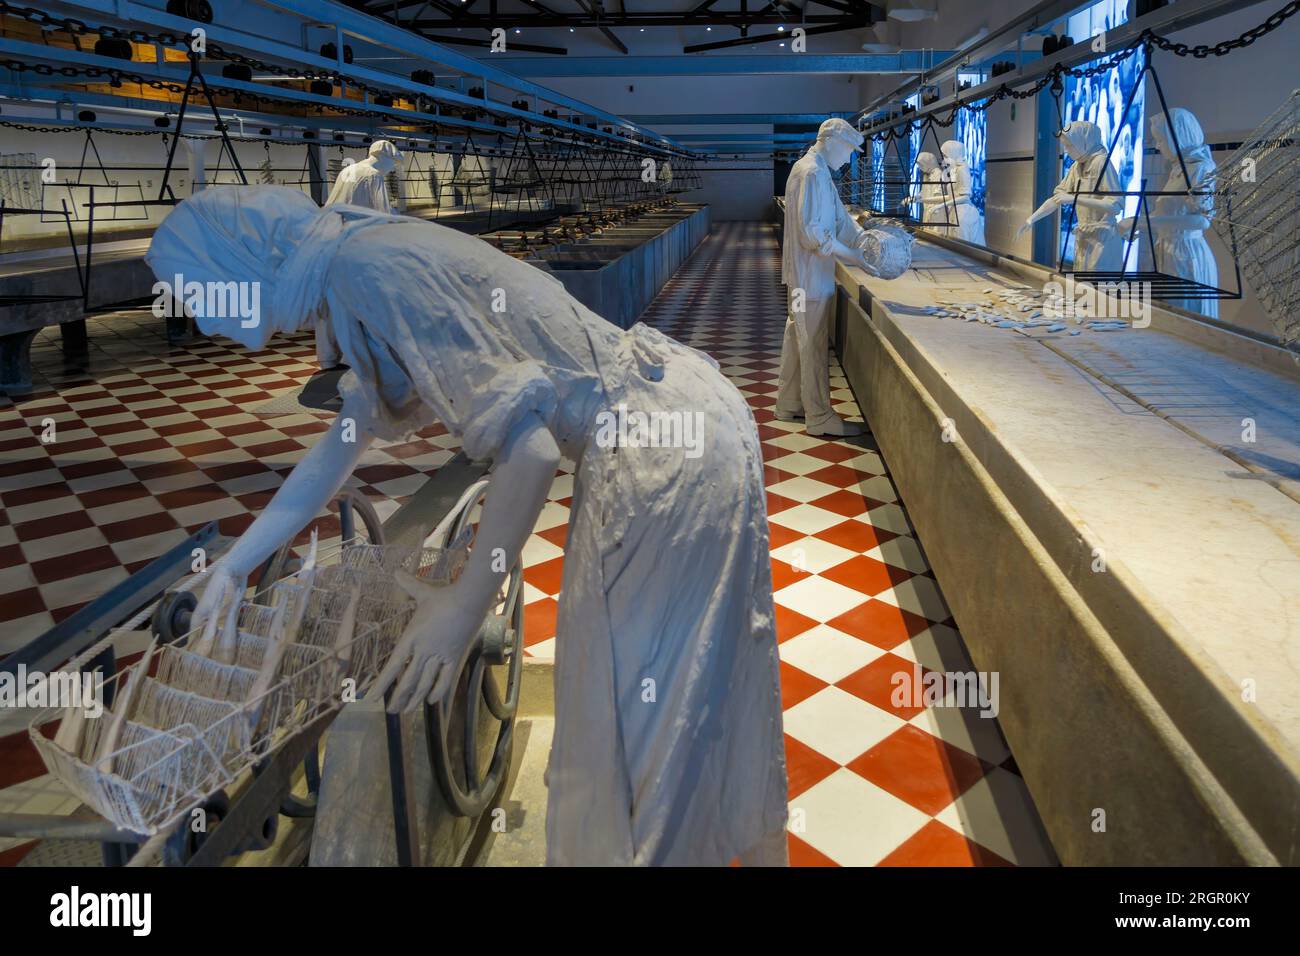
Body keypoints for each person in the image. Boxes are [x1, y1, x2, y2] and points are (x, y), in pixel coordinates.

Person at [144, 185, 789, 867]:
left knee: (635, 719)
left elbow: (531, 451)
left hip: (659, 455)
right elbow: (342, 444)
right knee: (699, 685)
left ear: (235, 263)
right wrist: (235, 565)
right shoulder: (357, 261)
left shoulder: (364, 269)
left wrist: (462, 608)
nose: (200, 317)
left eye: (197, 293)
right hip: (687, 419)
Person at [777, 117, 873, 438]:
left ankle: (789, 403)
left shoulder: (812, 169)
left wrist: (865, 240)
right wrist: (854, 256)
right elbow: (814, 235)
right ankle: (819, 417)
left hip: (801, 278)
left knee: (798, 335)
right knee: (812, 343)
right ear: (830, 141)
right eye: (847, 150)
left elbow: (841, 219)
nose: (848, 159)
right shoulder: (813, 173)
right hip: (810, 280)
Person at [1120, 109, 1219, 318]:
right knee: (1171, 316)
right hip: (1170, 253)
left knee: (1186, 320)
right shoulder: (1178, 169)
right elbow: (1170, 212)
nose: (1158, 146)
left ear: (1178, 137)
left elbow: (1202, 221)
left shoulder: (1201, 168)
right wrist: (1141, 224)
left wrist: (1142, 222)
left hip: (1186, 255)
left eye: (1161, 140)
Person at [1017, 120, 1123, 272]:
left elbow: (1115, 205)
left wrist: (1075, 199)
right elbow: (1057, 199)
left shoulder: (1101, 163)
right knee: (1082, 283)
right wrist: (1031, 220)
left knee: (1098, 284)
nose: (1066, 151)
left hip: (1103, 239)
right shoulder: (1077, 166)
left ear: (1083, 142)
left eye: (1069, 146)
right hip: (1085, 238)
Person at [324, 139, 400, 212]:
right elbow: (383, 209)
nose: (392, 168)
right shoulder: (374, 175)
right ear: (382, 157)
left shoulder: (347, 169)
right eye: (393, 162)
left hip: (336, 217)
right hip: (360, 219)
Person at [938, 140, 985, 245]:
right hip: (955, 212)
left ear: (953, 153)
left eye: (945, 156)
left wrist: (941, 205)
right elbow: (951, 196)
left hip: (964, 214)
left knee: (963, 246)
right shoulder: (954, 170)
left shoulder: (962, 170)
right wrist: (928, 201)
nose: (943, 159)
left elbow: (965, 197)